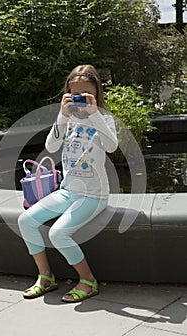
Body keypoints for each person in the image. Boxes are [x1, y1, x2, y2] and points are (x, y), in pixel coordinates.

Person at [18, 64, 118, 302]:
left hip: (93, 195)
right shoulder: (67, 118)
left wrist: (94, 113)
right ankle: (45, 277)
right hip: (68, 191)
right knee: (26, 221)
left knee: (58, 233)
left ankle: (88, 281)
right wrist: (62, 115)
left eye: (86, 94)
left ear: (96, 92)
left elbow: (112, 146)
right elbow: (51, 147)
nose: (80, 99)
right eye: (75, 94)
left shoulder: (104, 118)